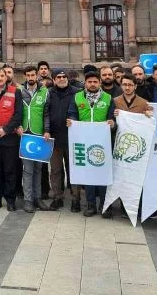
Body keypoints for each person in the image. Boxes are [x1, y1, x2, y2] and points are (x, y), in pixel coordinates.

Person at [67, 71, 115, 217]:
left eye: (95, 82)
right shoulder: (77, 97)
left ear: (99, 83)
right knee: (88, 174)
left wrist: (112, 123)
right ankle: (91, 205)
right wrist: (72, 121)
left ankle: (104, 206)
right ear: (85, 83)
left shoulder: (108, 98)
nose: (92, 84)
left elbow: (112, 117)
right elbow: (72, 113)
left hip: (103, 141)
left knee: (103, 173)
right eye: (90, 82)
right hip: (84, 140)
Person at [0, 66, 23, 211]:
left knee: (10, 170)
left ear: (6, 77)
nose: (0, 78)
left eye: (2, 76)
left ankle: (10, 200)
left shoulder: (16, 92)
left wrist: (5, 130)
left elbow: (18, 115)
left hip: (10, 137)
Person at [19, 66, 49, 213]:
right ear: (25, 76)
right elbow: (17, 111)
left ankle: (38, 198)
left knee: (38, 168)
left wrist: (47, 130)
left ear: (37, 76)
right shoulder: (20, 91)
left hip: (39, 134)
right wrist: (18, 125)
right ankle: (28, 200)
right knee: (28, 170)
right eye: (28, 75)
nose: (31, 77)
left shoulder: (45, 91)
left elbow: (47, 113)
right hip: (25, 134)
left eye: (33, 75)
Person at [46, 69, 77, 211]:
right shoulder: (49, 93)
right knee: (55, 170)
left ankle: (76, 199)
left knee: (74, 169)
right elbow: (46, 113)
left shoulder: (76, 93)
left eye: (64, 76)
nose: (62, 79)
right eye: (58, 77)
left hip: (72, 138)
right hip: (54, 137)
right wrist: (46, 130)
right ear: (53, 79)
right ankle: (57, 197)